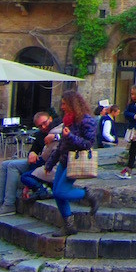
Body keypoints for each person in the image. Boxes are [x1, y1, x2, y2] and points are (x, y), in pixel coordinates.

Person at [43, 90, 100, 237]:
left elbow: (88, 144)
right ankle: (68, 225)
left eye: (64, 104)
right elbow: (61, 144)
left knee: (60, 192)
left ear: (72, 104)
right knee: (57, 194)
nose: (62, 107)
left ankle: (87, 194)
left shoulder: (87, 120)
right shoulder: (68, 120)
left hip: (75, 161)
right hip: (64, 159)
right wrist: (50, 164)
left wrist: (71, 136)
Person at [0, 111, 55, 216]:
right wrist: (32, 153)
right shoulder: (40, 134)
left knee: (12, 166)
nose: (43, 127)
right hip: (38, 162)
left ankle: (9, 204)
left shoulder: (56, 131)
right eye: (39, 126)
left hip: (48, 164)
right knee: (5, 164)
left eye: (44, 123)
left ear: (50, 119)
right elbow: (34, 149)